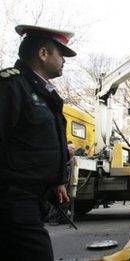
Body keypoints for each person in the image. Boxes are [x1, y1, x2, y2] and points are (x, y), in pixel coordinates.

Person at [0, 25, 75, 260]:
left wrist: (57, 180)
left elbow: (37, 144)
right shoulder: (10, 86)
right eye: (60, 54)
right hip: (12, 199)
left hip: (32, 198)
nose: (64, 60)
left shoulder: (43, 93)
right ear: (43, 54)